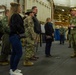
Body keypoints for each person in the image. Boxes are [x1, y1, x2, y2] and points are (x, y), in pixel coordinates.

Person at [9, 2, 25, 75]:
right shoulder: (16, 16)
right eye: (20, 7)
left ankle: (12, 69)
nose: (21, 8)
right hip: (15, 36)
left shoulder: (13, 16)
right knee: (19, 53)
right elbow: (18, 26)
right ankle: (14, 69)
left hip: (13, 36)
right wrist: (22, 32)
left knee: (14, 53)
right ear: (17, 8)